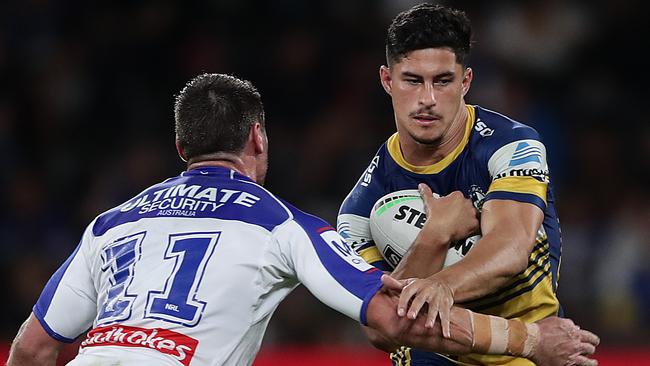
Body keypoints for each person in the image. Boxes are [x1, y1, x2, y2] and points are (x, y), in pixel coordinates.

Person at [7, 73, 598, 366]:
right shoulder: (282, 225)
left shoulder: (110, 225)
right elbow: (394, 321)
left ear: (183, 148)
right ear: (258, 139)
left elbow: (31, 352)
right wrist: (529, 339)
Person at [338, 3, 568, 366]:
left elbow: (511, 247)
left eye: (442, 81)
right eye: (412, 80)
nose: (427, 99)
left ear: (465, 82)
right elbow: (379, 331)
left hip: (527, 354)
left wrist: (442, 284)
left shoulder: (513, 147)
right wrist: (435, 235)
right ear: (387, 80)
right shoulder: (359, 209)